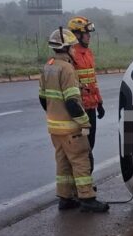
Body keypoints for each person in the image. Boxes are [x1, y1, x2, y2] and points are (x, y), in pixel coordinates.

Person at [39, 27, 109, 212]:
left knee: (62, 164)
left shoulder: (49, 66)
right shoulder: (67, 69)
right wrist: (84, 122)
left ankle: (65, 198)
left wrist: (55, 115)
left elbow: (43, 98)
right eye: (72, 46)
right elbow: (72, 102)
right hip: (71, 128)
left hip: (55, 128)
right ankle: (87, 198)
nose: (73, 49)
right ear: (67, 47)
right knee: (80, 161)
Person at [67, 16, 105, 171]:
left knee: (91, 144)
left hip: (91, 107)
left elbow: (92, 80)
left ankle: (86, 181)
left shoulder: (88, 53)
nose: (89, 36)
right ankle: (83, 183)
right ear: (76, 34)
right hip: (79, 109)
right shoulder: (71, 55)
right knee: (82, 149)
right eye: (86, 33)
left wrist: (99, 102)